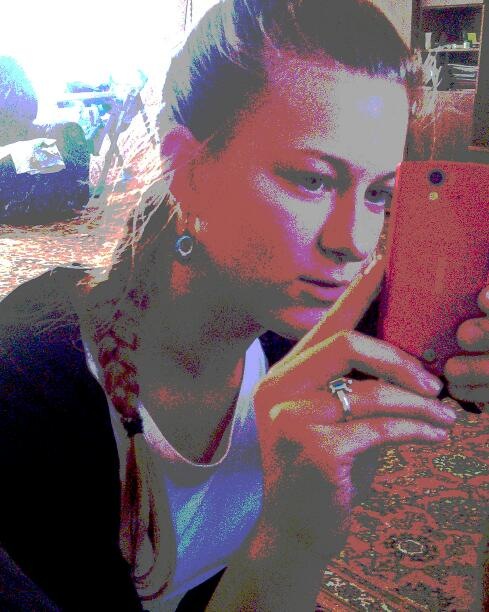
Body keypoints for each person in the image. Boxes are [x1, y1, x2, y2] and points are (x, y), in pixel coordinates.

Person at [0, 0, 488, 610]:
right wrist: (292, 540)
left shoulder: (317, 326)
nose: (355, 242)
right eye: (313, 180)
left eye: (379, 194)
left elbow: (455, 370)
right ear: (186, 170)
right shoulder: (30, 383)